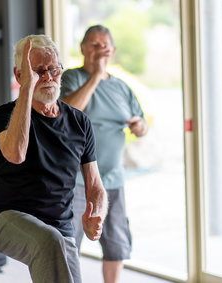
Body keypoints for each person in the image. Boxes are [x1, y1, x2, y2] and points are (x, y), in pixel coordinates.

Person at [0, 34, 108, 283]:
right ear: (20, 76)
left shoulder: (79, 121)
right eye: (38, 71)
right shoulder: (5, 115)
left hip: (60, 227)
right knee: (48, 240)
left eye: (53, 69)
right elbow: (16, 154)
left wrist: (97, 214)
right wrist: (27, 90)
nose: (48, 77)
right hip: (7, 219)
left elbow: (95, 185)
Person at [60, 25, 148, 283]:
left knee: (116, 243)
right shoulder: (72, 78)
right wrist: (96, 76)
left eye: (104, 45)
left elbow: (141, 125)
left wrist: (138, 126)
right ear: (82, 48)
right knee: (69, 242)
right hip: (76, 178)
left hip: (112, 178)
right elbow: (68, 112)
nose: (99, 49)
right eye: (93, 44)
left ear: (113, 50)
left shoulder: (122, 88)